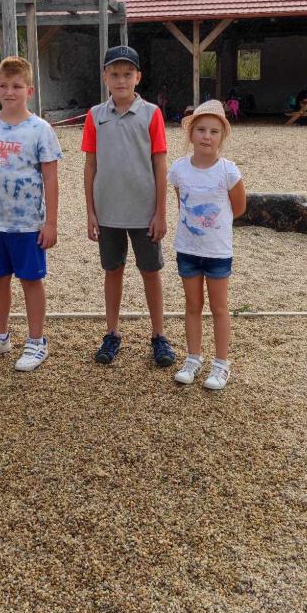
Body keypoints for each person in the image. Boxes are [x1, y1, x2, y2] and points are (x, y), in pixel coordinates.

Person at [0, 56, 62, 372]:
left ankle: (37, 341)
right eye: (4, 85)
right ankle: (0, 335)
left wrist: (51, 222)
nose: (9, 91)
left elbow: (51, 178)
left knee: (31, 280)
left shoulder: (40, 130)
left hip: (28, 224)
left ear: (29, 91)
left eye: (17, 86)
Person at [82, 45, 176, 367]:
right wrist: (90, 212)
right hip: (107, 211)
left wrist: (161, 212)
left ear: (138, 77)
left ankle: (159, 335)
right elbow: (90, 165)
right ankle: (112, 332)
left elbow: (160, 164)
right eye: (114, 74)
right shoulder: (95, 116)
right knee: (113, 270)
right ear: (105, 78)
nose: (120, 80)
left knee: (150, 271)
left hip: (144, 212)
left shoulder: (152, 114)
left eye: (127, 74)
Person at [168, 100, 246, 391]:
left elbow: (239, 207)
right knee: (192, 305)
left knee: (219, 306)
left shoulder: (228, 171)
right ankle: (193, 358)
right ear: (191, 133)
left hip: (217, 251)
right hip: (188, 249)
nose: (206, 136)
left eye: (214, 131)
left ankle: (221, 363)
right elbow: (182, 203)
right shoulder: (179, 169)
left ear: (222, 136)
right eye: (201, 130)